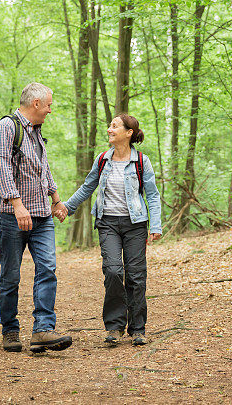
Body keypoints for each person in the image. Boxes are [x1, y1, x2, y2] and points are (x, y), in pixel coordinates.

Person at [58, 114, 162, 346]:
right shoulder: (103, 159)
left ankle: (137, 329)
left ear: (129, 133)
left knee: (136, 275)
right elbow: (88, 187)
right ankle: (115, 327)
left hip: (135, 224)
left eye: (115, 126)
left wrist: (155, 224)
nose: (109, 129)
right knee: (113, 271)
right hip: (108, 223)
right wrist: (67, 207)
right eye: (110, 126)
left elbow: (152, 196)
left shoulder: (142, 162)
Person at [0, 82, 72, 354]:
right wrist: (17, 204)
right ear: (36, 103)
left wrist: (57, 200)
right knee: (11, 276)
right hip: (11, 216)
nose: (50, 110)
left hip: (41, 216)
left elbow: (43, 169)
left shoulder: (37, 133)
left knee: (47, 268)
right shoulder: (6, 127)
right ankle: (10, 332)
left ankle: (43, 330)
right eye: (48, 104)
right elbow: (1, 167)